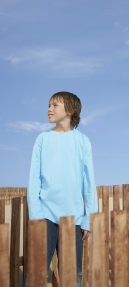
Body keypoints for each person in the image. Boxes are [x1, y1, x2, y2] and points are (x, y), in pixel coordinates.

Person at [23, 91, 98, 287]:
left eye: (55, 105)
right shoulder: (42, 139)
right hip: (45, 215)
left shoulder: (83, 141)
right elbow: (34, 179)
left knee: (72, 276)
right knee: (36, 274)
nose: (49, 109)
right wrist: (36, 215)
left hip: (73, 217)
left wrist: (88, 218)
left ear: (70, 110)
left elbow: (89, 183)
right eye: (49, 105)